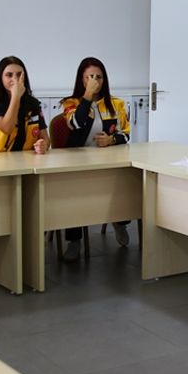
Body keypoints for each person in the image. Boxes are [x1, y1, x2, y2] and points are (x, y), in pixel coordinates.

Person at [59, 57, 131, 259]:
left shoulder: (116, 104)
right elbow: (76, 123)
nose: (95, 81)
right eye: (89, 77)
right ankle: (74, 240)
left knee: (124, 181)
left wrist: (111, 140)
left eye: (98, 77)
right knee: (73, 193)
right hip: (77, 162)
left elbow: (126, 134)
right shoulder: (71, 103)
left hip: (107, 160)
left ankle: (120, 221)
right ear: (81, 80)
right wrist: (87, 96)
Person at [0, 56, 49, 154]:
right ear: (0, 78)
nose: (15, 79)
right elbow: (7, 128)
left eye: (19, 74)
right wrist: (16, 96)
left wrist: (43, 145)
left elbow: (46, 138)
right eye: (9, 75)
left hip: (27, 159)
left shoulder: (33, 104)